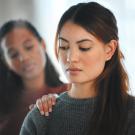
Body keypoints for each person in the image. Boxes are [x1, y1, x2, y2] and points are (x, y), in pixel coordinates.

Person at [20, 2, 135, 135]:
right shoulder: (41, 116)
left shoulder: (130, 113)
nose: (71, 58)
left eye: (84, 47)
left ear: (109, 50)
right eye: (64, 47)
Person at [0, 20, 67, 135]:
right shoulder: (4, 108)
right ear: (6, 62)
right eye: (13, 54)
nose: (23, 58)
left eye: (28, 47)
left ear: (43, 44)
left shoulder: (69, 93)